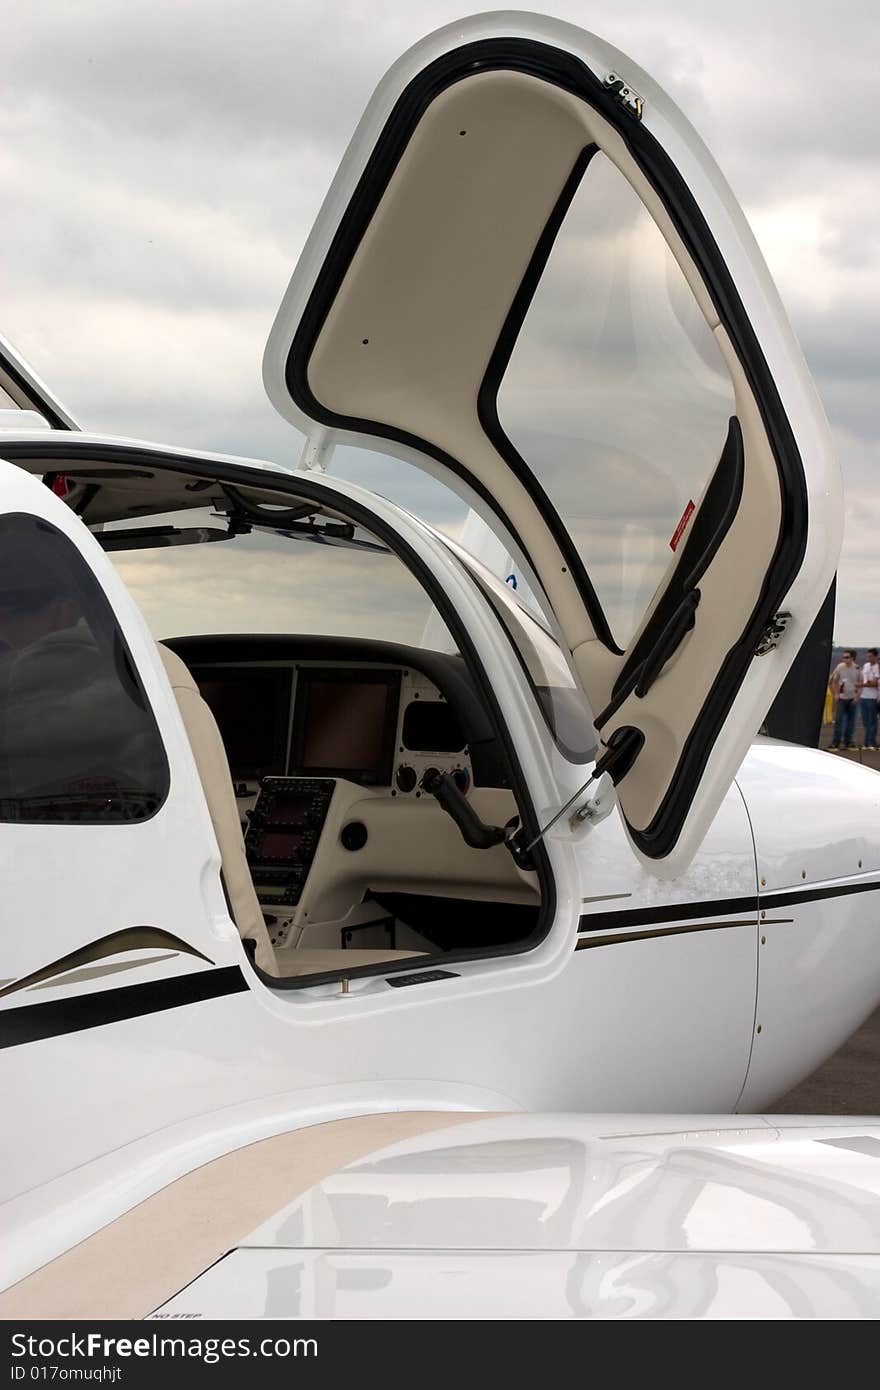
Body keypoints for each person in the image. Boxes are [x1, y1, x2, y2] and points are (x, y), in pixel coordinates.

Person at [829, 651, 860, 751]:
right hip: (842, 698)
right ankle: (836, 742)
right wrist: (836, 694)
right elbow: (834, 681)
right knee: (838, 721)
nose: (844, 659)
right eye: (843, 657)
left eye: (847, 657)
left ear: (852, 658)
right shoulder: (840, 667)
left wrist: (857, 697)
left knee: (851, 722)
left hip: (852, 698)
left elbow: (860, 684)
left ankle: (848, 742)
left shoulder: (857, 668)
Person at [860, 648, 880, 751]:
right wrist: (865, 684)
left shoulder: (877, 667)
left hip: (872, 697)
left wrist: (861, 685)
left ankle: (871, 742)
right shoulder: (866, 666)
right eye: (868, 656)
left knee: (872, 721)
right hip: (863, 696)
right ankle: (867, 742)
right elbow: (865, 680)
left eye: (871, 656)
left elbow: (875, 683)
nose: (869, 658)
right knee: (866, 721)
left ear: (876, 656)